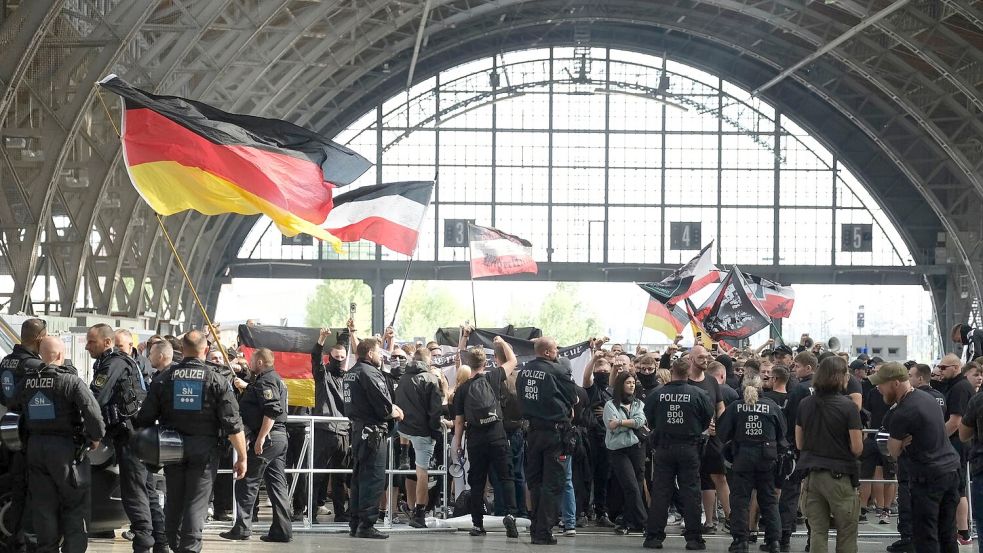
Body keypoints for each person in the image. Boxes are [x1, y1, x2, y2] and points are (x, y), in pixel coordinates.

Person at [135, 330, 248, 553]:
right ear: (205, 350)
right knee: (197, 505)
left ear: (182, 349)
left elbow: (144, 418)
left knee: (174, 501)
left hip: (171, 449)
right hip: (204, 452)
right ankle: (189, 548)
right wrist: (242, 457)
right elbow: (233, 424)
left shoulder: (164, 378)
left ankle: (176, 545)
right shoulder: (217, 379)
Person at [8, 336, 104, 553]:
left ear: (41, 355)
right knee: (75, 506)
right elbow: (93, 413)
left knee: (43, 507)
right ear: (61, 355)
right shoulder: (70, 381)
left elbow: (13, 402)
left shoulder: (28, 380)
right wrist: (95, 437)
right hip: (65, 451)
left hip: (35, 448)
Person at [87, 323, 158, 553]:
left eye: (92, 342)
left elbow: (95, 397)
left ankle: (144, 543)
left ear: (106, 343)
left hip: (130, 437)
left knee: (134, 492)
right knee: (146, 492)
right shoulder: (115, 361)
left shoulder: (113, 363)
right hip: (134, 435)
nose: (87, 347)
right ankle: (160, 543)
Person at [874, 362, 960, 553]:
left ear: (895, 383)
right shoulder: (927, 398)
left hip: (927, 476)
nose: (878, 388)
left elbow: (892, 451)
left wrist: (900, 443)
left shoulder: (902, 412)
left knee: (925, 534)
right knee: (947, 532)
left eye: (881, 384)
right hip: (950, 469)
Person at [220, 348, 291, 542]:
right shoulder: (271, 379)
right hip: (279, 438)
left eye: (252, 360)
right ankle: (282, 530)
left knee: (246, 481)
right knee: (277, 485)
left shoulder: (266, 380)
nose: (249, 363)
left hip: (268, 439)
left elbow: (272, 411)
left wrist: (260, 438)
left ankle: (242, 528)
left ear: (260, 362)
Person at [643, 357, 714, 550]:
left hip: (664, 448)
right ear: (689, 371)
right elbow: (707, 419)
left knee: (660, 493)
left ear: (672, 370)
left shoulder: (657, 394)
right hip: (689, 447)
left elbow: (649, 419)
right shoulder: (698, 394)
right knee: (691, 492)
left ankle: (654, 537)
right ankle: (693, 538)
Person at [796, 356, 863, 553]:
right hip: (840, 477)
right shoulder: (849, 406)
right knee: (847, 531)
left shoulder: (805, 404)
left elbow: (800, 443)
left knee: (817, 531)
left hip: (811, 476)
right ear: (840, 377)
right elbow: (857, 447)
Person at [452, 345, 520, 538]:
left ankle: (477, 525)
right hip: (497, 435)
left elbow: (459, 421)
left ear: (468, 363)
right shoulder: (494, 377)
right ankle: (511, 515)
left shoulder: (462, 390)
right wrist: (502, 343)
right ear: (486, 363)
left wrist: (458, 443)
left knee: (477, 482)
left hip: (476, 439)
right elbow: (513, 360)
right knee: (506, 477)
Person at [517, 337, 577, 545]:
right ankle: (543, 531)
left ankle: (536, 528)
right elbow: (573, 398)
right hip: (555, 434)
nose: (557, 354)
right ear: (548, 353)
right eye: (555, 350)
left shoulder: (523, 371)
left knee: (535, 482)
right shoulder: (557, 371)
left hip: (532, 433)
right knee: (553, 484)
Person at [342, 338, 404, 539]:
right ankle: (367, 524)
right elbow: (384, 406)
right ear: (369, 353)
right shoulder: (370, 373)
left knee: (359, 478)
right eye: (379, 352)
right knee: (373, 479)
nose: (381, 356)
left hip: (358, 430)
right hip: (373, 432)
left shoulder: (351, 373)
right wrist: (394, 411)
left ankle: (356, 522)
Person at [719, 374, 786, 553]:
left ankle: (740, 541)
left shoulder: (735, 407)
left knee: (740, 500)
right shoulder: (772, 406)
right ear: (761, 388)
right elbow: (782, 433)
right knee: (769, 501)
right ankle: (774, 542)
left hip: (742, 457)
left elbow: (722, 433)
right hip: (767, 458)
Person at [0, 317, 46, 550]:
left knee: (16, 487)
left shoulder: (6, 362)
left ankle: (12, 539)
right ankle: (25, 539)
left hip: (9, 430)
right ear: (39, 338)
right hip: (30, 433)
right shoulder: (34, 367)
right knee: (31, 489)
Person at [396, 347, 444, 529]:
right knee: (422, 472)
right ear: (428, 360)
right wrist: (435, 431)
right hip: (423, 431)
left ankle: (403, 455)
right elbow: (435, 410)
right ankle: (420, 513)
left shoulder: (403, 377)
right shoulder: (431, 379)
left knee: (412, 467)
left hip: (404, 428)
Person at [310, 328, 352, 523]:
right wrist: (322, 339)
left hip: (343, 431)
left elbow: (350, 350)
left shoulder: (348, 378)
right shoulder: (323, 375)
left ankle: (340, 513)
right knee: (317, 474)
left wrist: (348, 332)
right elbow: (315, 359)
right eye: (336, 357)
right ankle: (310, 511)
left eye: (343, 357)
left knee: (340, 477)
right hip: (324, 429)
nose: (340, 360)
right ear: (330, 357)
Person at [688, 345, 729, 534]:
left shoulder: (712, 381)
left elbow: (720, 407)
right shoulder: (685, 382)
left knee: (719, 477)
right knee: (701, 480)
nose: (706, 359)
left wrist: (718, 426)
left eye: (707, 356)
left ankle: (731, 518)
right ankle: (709, 522)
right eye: (701, 357)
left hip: (713, 439)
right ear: (691, 359)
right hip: (692, 440)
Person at [602, 371, 647, 535]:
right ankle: (644, 522)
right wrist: (630, 423)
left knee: (636, 486)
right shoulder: (610, 405)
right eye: (628, 382)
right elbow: (610, 426)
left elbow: (640, 421)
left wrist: (620, 422)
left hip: (636, 448)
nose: (631, 385)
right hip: (618, 451)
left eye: (633, 383)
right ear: (621, 385)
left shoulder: (638, 404)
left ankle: (629, 521)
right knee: (631, 486)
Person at [938, 354, 975, 544]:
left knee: (958, 488)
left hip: (956, 444)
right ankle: (961, 530)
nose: (940, 370)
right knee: (956, 488)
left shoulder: (960, 388)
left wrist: (936, 438)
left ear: (956, 367)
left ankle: (963, 531)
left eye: (944, 367)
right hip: (957, 443)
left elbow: (955, 421)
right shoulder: (955, 386)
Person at [582, 349, 615, 526]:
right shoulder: (592, 388)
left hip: (608, 438)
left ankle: (602, 511)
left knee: (604, 477)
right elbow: (586, 378)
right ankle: (584, 510)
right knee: (587, 476)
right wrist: (595, 357)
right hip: (591, 437)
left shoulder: (611, 391)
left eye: (605, 369)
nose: (602, 371)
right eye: (598, 369)